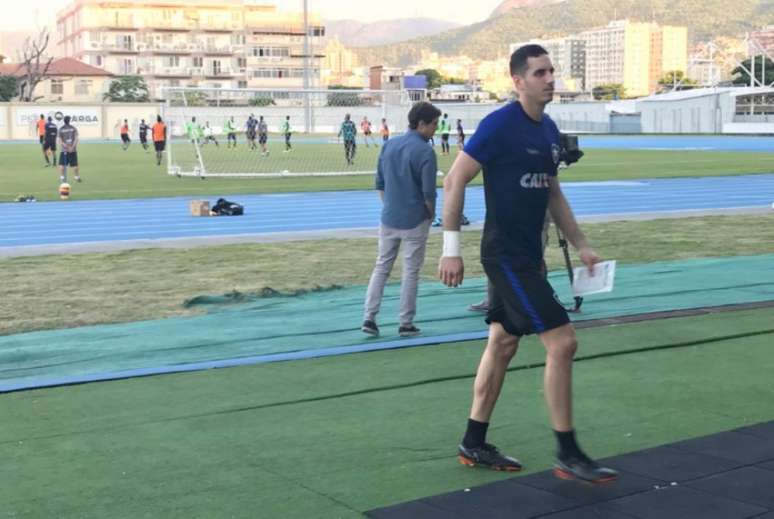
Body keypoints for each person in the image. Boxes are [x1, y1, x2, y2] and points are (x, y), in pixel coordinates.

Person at [437, 44, 618, 483]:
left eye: (552, 71)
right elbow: (454, 178)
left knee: (502, 343)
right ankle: (568, 452)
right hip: (504, 256)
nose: (550, 78)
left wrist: (581, 244)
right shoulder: (499, 126)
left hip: (528, 257)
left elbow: (553, 193)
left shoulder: (549, 129)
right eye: (540, 73)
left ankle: (474, 442)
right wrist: (450, 247)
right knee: (563, 343)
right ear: (518, 81)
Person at [361, 101, 441, 338]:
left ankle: (369, 316)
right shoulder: (426, 151)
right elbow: (429, 192)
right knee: (410, 271)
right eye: (434, 124)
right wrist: (430, 213)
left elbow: (380, 184)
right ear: (422, 124)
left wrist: (390, 206)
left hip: (389, 217)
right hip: (415, 219)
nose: (436, 129)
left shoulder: (389, 145)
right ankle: (405, 322)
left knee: (381, 267)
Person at [57, 115, 81, 184]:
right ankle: (77, 177)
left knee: (62, 165)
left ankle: (62, 177)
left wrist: (66, 147)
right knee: (75, 165)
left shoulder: (61, 129)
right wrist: (72, 147)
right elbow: (76, 139)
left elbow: (60, 141)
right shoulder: (73, 128)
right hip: (73, 150)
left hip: (64, 150)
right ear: (69, 121)